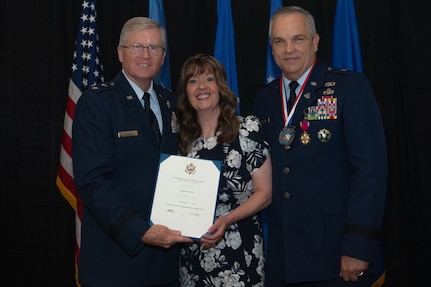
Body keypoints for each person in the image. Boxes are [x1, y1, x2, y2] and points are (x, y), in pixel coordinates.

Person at [254, 6, 387, 287]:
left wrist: (357, 246)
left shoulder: (348, 88)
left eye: (298, 39)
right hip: (282, 257)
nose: (289, 49)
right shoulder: (265, 99)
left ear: (315, 41)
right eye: (280, 41)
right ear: (271, 47)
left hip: (335, 254)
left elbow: (370, 172)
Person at [72, 17, 193, 287]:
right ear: (120, 53)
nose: (146, 55)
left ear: (163, 57)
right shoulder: (97, 103)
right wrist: (140, 232)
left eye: (154, 48)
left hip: (165, 263)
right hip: (116, 259)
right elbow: (93, 182)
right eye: (137, 46)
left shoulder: (171, 103)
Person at [176, 53, 272, 286]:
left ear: (220, 86)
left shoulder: (247, 129)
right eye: (193, 81)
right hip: (192, 258)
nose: (201, 87)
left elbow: (265, 193)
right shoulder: (180, 141)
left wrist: (227, 220)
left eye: (209, 79)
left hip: (240, 255)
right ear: (186, 92)